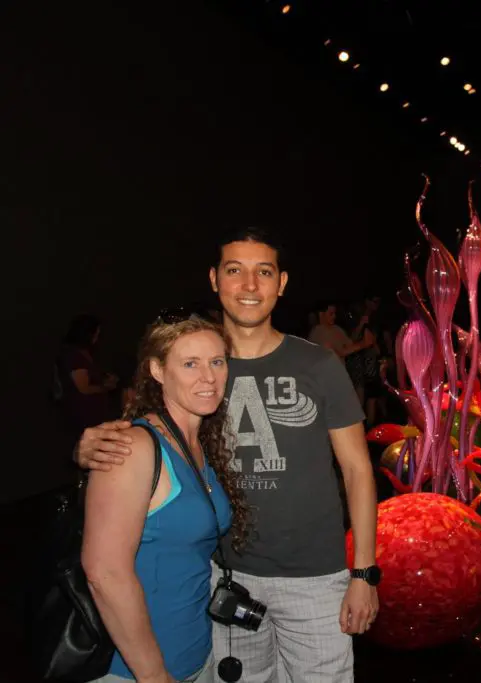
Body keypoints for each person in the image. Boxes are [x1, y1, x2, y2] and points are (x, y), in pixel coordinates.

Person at [74, 227, 379, 683]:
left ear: (283, 283)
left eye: (264, 272)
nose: (250, 286)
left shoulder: (318, 364)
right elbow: (144, 429)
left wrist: (364, 574)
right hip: (224, 577)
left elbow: (357, 470)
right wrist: (88, 445)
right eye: (235, 271)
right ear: (215, 280)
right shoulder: (197, 360)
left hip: (315, 579)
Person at [83, 313, 244, 683]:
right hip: (136, 670)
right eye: (190, 364)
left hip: (195, 654)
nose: (208, 377)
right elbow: (104, 573)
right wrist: (153, 674)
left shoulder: (198, 444)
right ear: (157, 370)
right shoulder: (134, 447)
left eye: (217, 362)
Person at [53, 314, 119, 448]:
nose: (97, 337)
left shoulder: (86, 354)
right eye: (96, 333)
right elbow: (83, 387)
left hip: (94, 416)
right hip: (81, 418)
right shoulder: (73, 356)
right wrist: (106, 387)